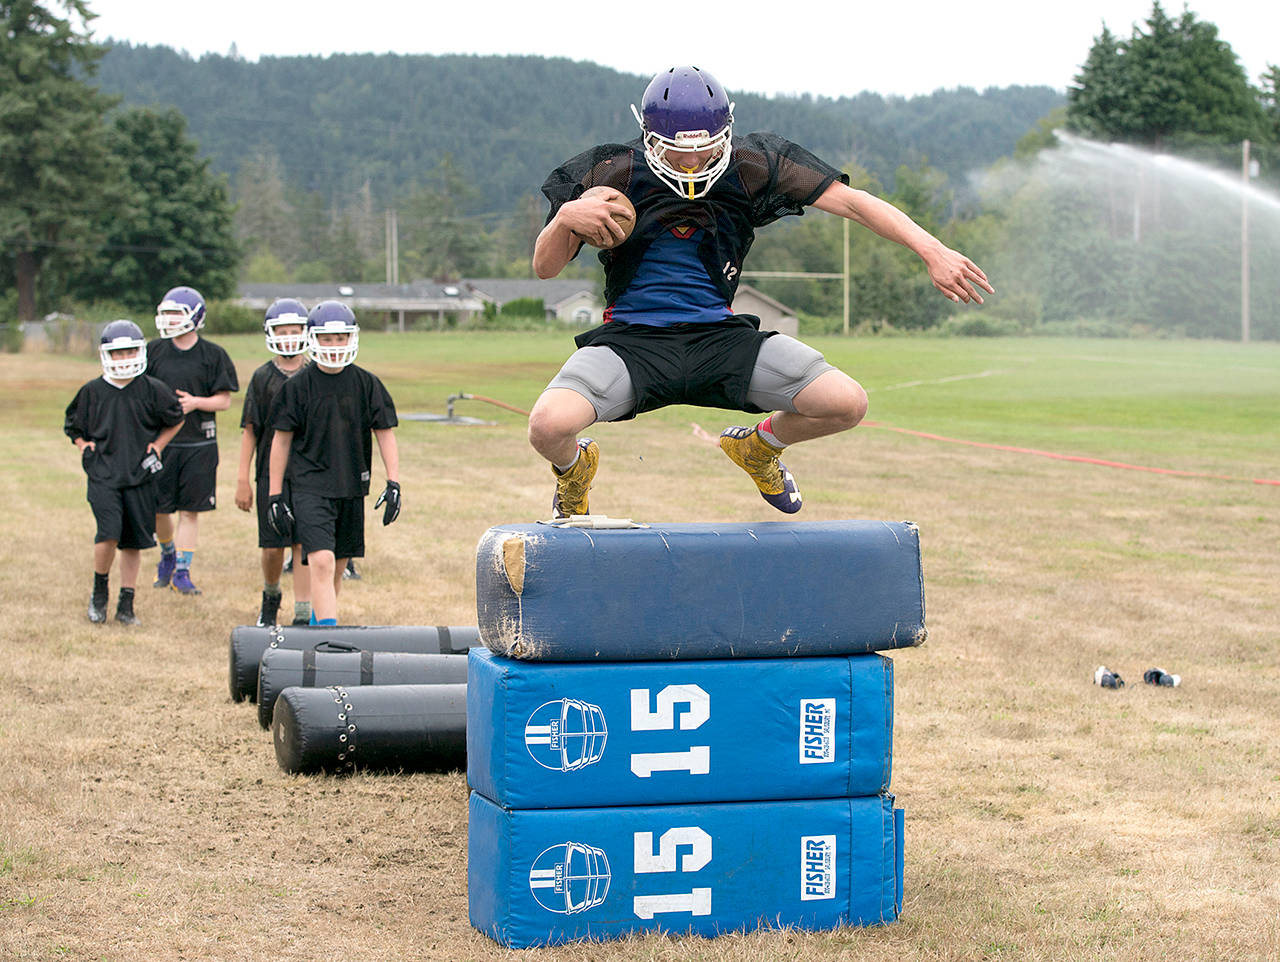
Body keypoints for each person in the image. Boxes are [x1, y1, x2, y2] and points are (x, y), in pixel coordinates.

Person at [529, 65, 994, 517]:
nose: (691, 161)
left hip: (721, 337)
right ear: (649, 137)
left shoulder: (752, 166)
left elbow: (855, 202)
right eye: (676, 151)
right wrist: (566, 218)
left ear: (727, 132)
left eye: (705, 148)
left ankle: (758, 448)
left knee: (846, 403)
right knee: (547, 427)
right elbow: (545, 268)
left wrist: (932, 250)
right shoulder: (612, 172)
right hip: (633, 342)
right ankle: (574, 471)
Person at [265, 301, 401, 626]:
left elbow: (385, 433)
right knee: (322, 562)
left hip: (351, 486)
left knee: (338, 566)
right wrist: (273, 495)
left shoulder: (366, 384)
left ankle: (317, 627)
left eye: (341, 338)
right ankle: (327, 641)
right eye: (328, 338)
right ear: (313, 339)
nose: (335, 345)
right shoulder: (296, 387)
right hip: (310, 488)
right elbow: (280, 441)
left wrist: (393, 482)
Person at [65, 320, 184, 625]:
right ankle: (99, 592)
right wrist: (83, 445)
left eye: (130, 350)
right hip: (104, 475)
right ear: (107, 355)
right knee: (108, 533)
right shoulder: (92, 391)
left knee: (132, 542)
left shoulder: (152, 389)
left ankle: (127, 603)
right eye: (118, 352)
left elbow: (176, 418)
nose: (125, 358)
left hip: (138, 475)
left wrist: (158, 445)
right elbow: (73, 426)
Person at [146, 285, 240, 595]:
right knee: (159, 510)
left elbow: (224, 401)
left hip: (198, 444)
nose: (170, 320)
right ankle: (168, 554)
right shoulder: (154, 351)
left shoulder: (213, 355)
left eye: (177, 313)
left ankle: (183, 571)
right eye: (167, 313)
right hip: (162, 444)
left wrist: (195, 403)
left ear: (195, 317)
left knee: (189, 511)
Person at [234, 298, 312, 627]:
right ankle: (271, 596)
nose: (289, 336)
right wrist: (241, 478)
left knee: (304, 543)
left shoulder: (315, 374)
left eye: (295, 331)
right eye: (283, 330)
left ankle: (304, 612)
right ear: (270, 333)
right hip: (271, 472)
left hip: (309, 472)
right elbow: (251, 430)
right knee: (272, 546)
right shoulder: (262, 377)